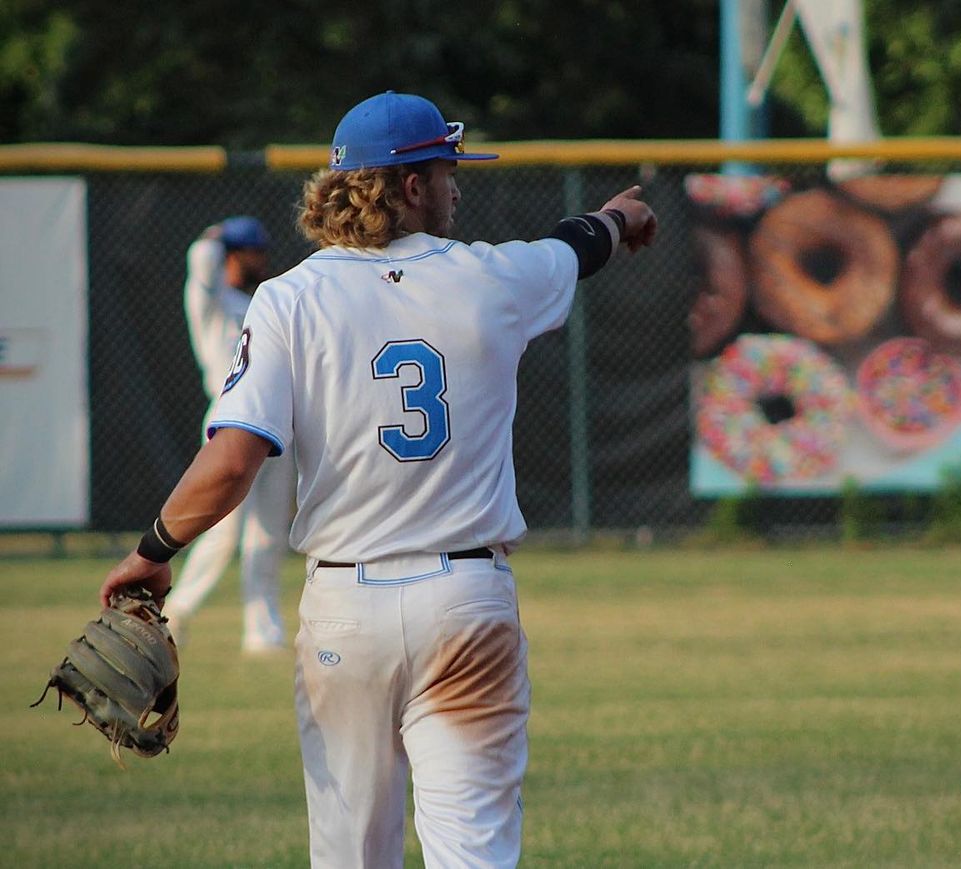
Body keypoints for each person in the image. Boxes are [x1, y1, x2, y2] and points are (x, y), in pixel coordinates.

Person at [100, 90, 657, 868]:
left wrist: (154, 548)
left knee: (353, 858)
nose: (456, 183)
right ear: (407, 187)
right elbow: (577, 243)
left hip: (346, 612)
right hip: (468, 603)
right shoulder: (491, 277)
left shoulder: (289, 299)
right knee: (475, 854)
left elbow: (230, 459)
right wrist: (621, 218)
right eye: (444, 168)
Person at [164, 216, 296, 652]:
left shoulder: (263, 301)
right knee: (224, 527)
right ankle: (176, 610)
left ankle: (263, 629)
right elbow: (201, 259)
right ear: (233, 255)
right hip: (230, 417)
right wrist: (217, 233)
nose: (262, 258)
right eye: (252, 251)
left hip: (276, 418)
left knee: (268, 532)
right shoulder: (211, 298)